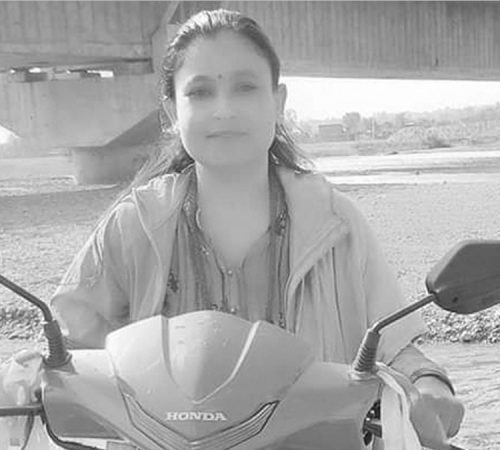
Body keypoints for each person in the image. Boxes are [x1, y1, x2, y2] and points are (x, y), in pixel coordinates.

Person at [7, 8, 463, 449]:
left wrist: (429, 384)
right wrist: (21, 380)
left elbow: (395, 350)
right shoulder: (134, 225)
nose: (223, 109)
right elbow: (65, 352)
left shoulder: (338, 225)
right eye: (200, 92)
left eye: (245, 87)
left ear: (277, 102)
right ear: (171, 110)